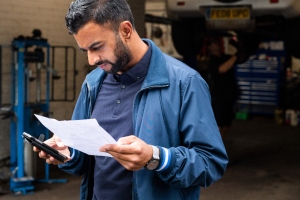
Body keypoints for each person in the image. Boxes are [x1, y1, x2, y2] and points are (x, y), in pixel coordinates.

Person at [34, 0, 228, 199]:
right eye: (86, 51)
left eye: (97, 47)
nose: (92, 60)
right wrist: (69, 153)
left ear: (126, 30)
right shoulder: (93, 83)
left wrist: (156, 158)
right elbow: (84, 161)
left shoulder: (185, 82)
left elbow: (211, 163)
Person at [206, 37, 239, 140]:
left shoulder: (225, 57)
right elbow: (223, 69)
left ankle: (220, 147)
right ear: (209, 47)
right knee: (218, 125)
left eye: (217, 42)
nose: (217, 44)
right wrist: (236, 56)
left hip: (229, 96)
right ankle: (213, 150)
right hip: (219, 98)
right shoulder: (211, 61)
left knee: (226, 124)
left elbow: (237, 59)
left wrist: (239, 47)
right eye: (214, 43)